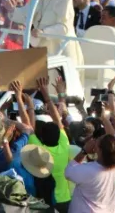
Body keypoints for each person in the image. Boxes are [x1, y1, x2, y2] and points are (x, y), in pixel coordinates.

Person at [12, 0, 84, 66]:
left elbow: (63, 27)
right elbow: (25, 14)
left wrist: (43, 32)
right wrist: (10, 10)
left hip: (62, 53)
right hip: (43, 53)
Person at [27, 78, 72, 213]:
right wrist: (46, 94)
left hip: (48, 202)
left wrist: (28, 104)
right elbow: (58, 119)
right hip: (65, 200)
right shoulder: (65, 144)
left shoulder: (40, 150)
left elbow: (29, 126)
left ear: (41, 137)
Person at [65, 134, 115, 213]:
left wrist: (84, 151)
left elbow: (68, 172)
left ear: (99, 150)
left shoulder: (88, 170)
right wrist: (105, 121)